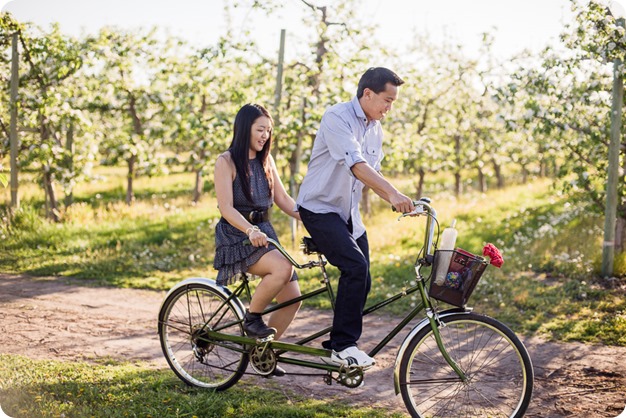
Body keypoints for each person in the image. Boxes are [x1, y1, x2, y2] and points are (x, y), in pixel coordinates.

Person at [296, 67, 415, 368]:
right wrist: (393, 194)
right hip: (320, 208)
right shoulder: (337, 117)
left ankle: (338, 339)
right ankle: (343, 346)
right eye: (387, 100)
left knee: (364, 279)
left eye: (393, 102)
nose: (389, 108)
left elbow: (371, 174)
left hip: (348, 213)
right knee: (355, 266)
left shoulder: (375, 129)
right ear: (367, 94)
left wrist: (405, 199)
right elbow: (357, 165)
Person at [213, 103, 302, 353]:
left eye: (268, 130)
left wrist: (313, 220)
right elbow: (226, 208)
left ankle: (262, 353)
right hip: (237, 234)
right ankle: (252, 318)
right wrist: (250, 230)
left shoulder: (266, 159)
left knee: (292, 299)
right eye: (260, 129)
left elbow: (283, 199)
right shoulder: (226, 161)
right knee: (282, 268)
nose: (265, 135)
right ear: (244, 129)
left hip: (264, 230)